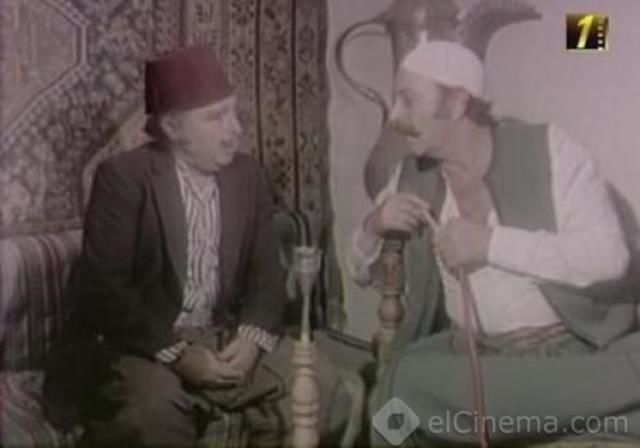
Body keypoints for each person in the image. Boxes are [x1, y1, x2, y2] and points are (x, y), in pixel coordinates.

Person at [348, 36, 640, 446]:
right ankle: (607, 408)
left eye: (408, 100)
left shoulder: (551, 150)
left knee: (409, 388)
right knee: (399, 398)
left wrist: (490, 244)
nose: (395, 116)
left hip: (564, 359)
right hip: (473, 362)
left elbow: (609, 257)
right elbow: (359, 272)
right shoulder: (412, 176)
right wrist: (373, 226)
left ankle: (597, 398)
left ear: (457, 103)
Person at [43, 46, 338, 447]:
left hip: (221, 333)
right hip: (140, 343)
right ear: (172, 127)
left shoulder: (248, 177)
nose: (234, 129)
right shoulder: (123, 178)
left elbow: (267, 273)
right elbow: (105, 289)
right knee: (153, 412)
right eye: (215, 117)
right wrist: (178, 354)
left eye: (234, 113)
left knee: (319, 378)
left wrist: (252, 339)